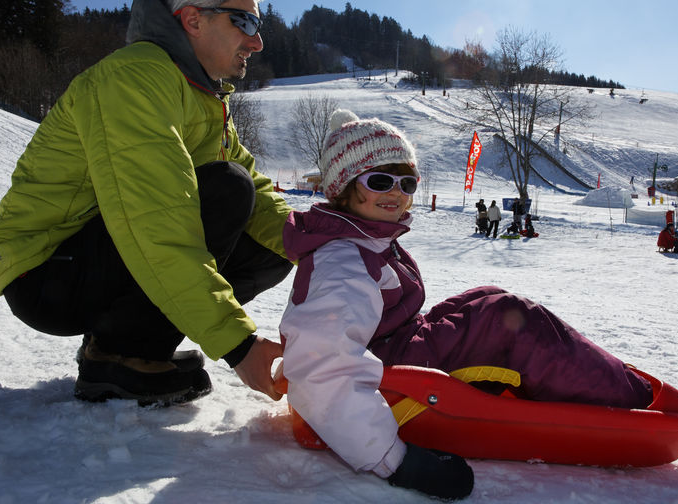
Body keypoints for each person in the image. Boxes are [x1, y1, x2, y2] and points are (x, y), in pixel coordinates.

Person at [278, 110, 652, 500]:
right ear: (342, 187)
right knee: (511, 321)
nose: (396, 193)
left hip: (393, 344)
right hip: (385, 381)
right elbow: (322, 366)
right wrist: (394, 460)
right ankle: (629, 403)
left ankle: (603, 380)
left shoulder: (362, 239)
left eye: (407, 182)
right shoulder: (343, 262)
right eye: (380, 180)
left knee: (485, 299)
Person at [0, 0, 293, 406]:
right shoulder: (135, 78)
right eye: (244, 21)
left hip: (99, 253)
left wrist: (323, 245)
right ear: (192, 19)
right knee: (228, 188)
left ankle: (126, 347)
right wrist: (239, 346)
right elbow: (155, 223)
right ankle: (122, 357)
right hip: (45, 269)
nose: (257, 41)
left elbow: (260, 197)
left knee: (271, 244)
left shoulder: (201, 94)